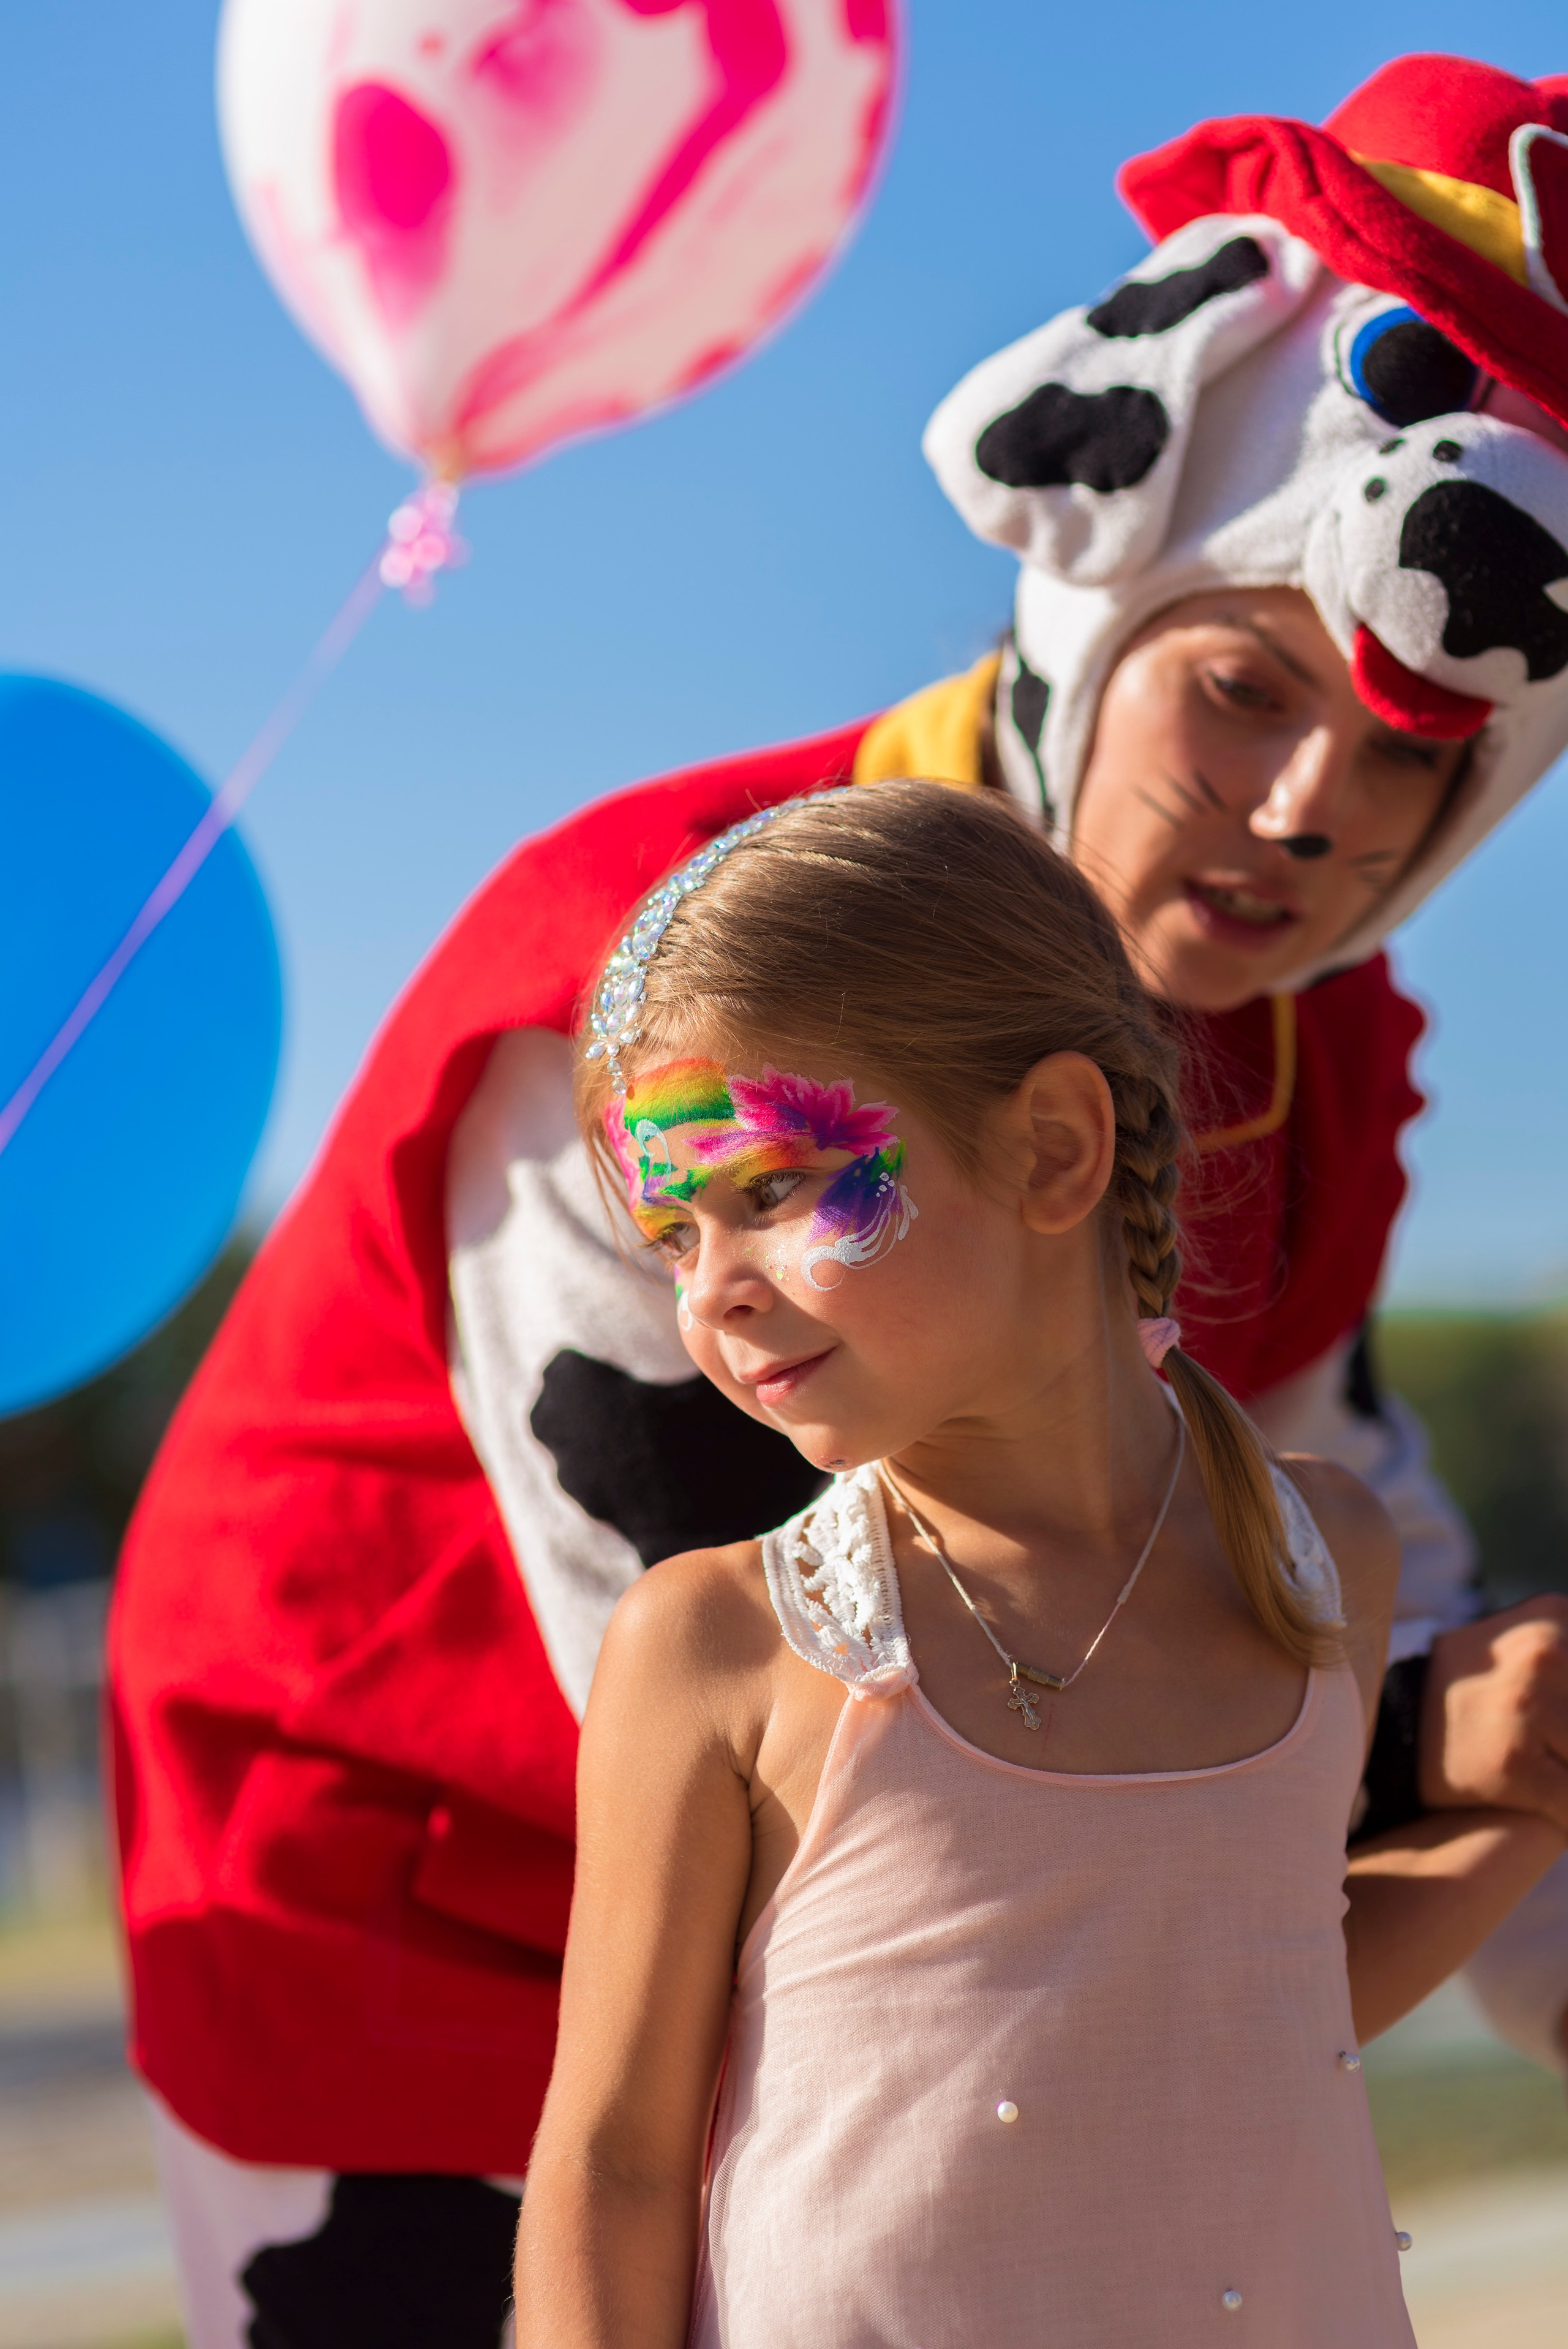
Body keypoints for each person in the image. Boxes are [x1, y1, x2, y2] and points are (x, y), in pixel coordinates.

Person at [109, 51, 1568, 2345]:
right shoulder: (691, 1000)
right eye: (1237, 687)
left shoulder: (1309, 1052)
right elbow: (830, 1743)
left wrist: (1508, 1801)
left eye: (1414, 752)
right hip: (437, 1883)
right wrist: (1415, 1740)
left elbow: (1307, 1518)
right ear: (1098, 592)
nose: (1310, 813)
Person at [514, 780, 1562, 2348]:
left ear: (1055, 1146)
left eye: (773, 1190)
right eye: (673, 1235)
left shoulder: (1315, 1560)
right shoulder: (722, 1649)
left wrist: (1523, 1814)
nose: (710, 1292)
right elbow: (610, 2161)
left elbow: (1257, 1999)